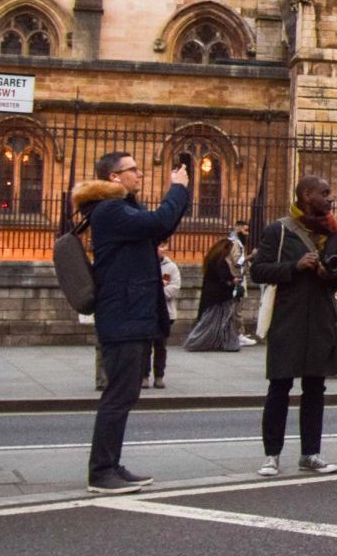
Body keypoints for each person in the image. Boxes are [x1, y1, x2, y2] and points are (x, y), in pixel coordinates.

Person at [79, 150, 191, 496]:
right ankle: (100, 472)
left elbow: (161, 227)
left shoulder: (122, 209)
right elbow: (158, 223)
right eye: (133, 170)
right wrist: (178, 189)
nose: (140, 175)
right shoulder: (110, 210)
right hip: (123, 315)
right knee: (118, 395)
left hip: (132, 314)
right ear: (114, 177)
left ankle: (111, 464)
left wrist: (181, 195)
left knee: (125, 394)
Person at [249, 174, 337, 478]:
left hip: (320, 317)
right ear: (307, 195)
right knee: (279, 386)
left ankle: (311, 454)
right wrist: (294, 267)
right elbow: (258, 271)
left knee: (315, 388)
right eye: (325, 192)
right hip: (288, 317)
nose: (330, 198)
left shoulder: (336, 234)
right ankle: (271, 455)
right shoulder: (279, 230)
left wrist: (327, 274)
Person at [184, 237, 243, 352]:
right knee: (220, 321)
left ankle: (222, 343)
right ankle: (198, 342)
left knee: (214, 321)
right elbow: (223, 279)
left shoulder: (213, 259)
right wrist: (233, 281)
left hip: (212, 296)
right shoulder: (220, 261)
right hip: (219, 296)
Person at [148, 242, 180, 390]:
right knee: (145, 347)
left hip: (165, 312)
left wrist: (158, 293)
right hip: (147, 312)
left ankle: (159, 376)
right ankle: (144, 376)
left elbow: (175, 287)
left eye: (165, 245)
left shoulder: (171, 267)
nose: (165, 249)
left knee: (161, 346)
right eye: (161, 245)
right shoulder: (144, 265)